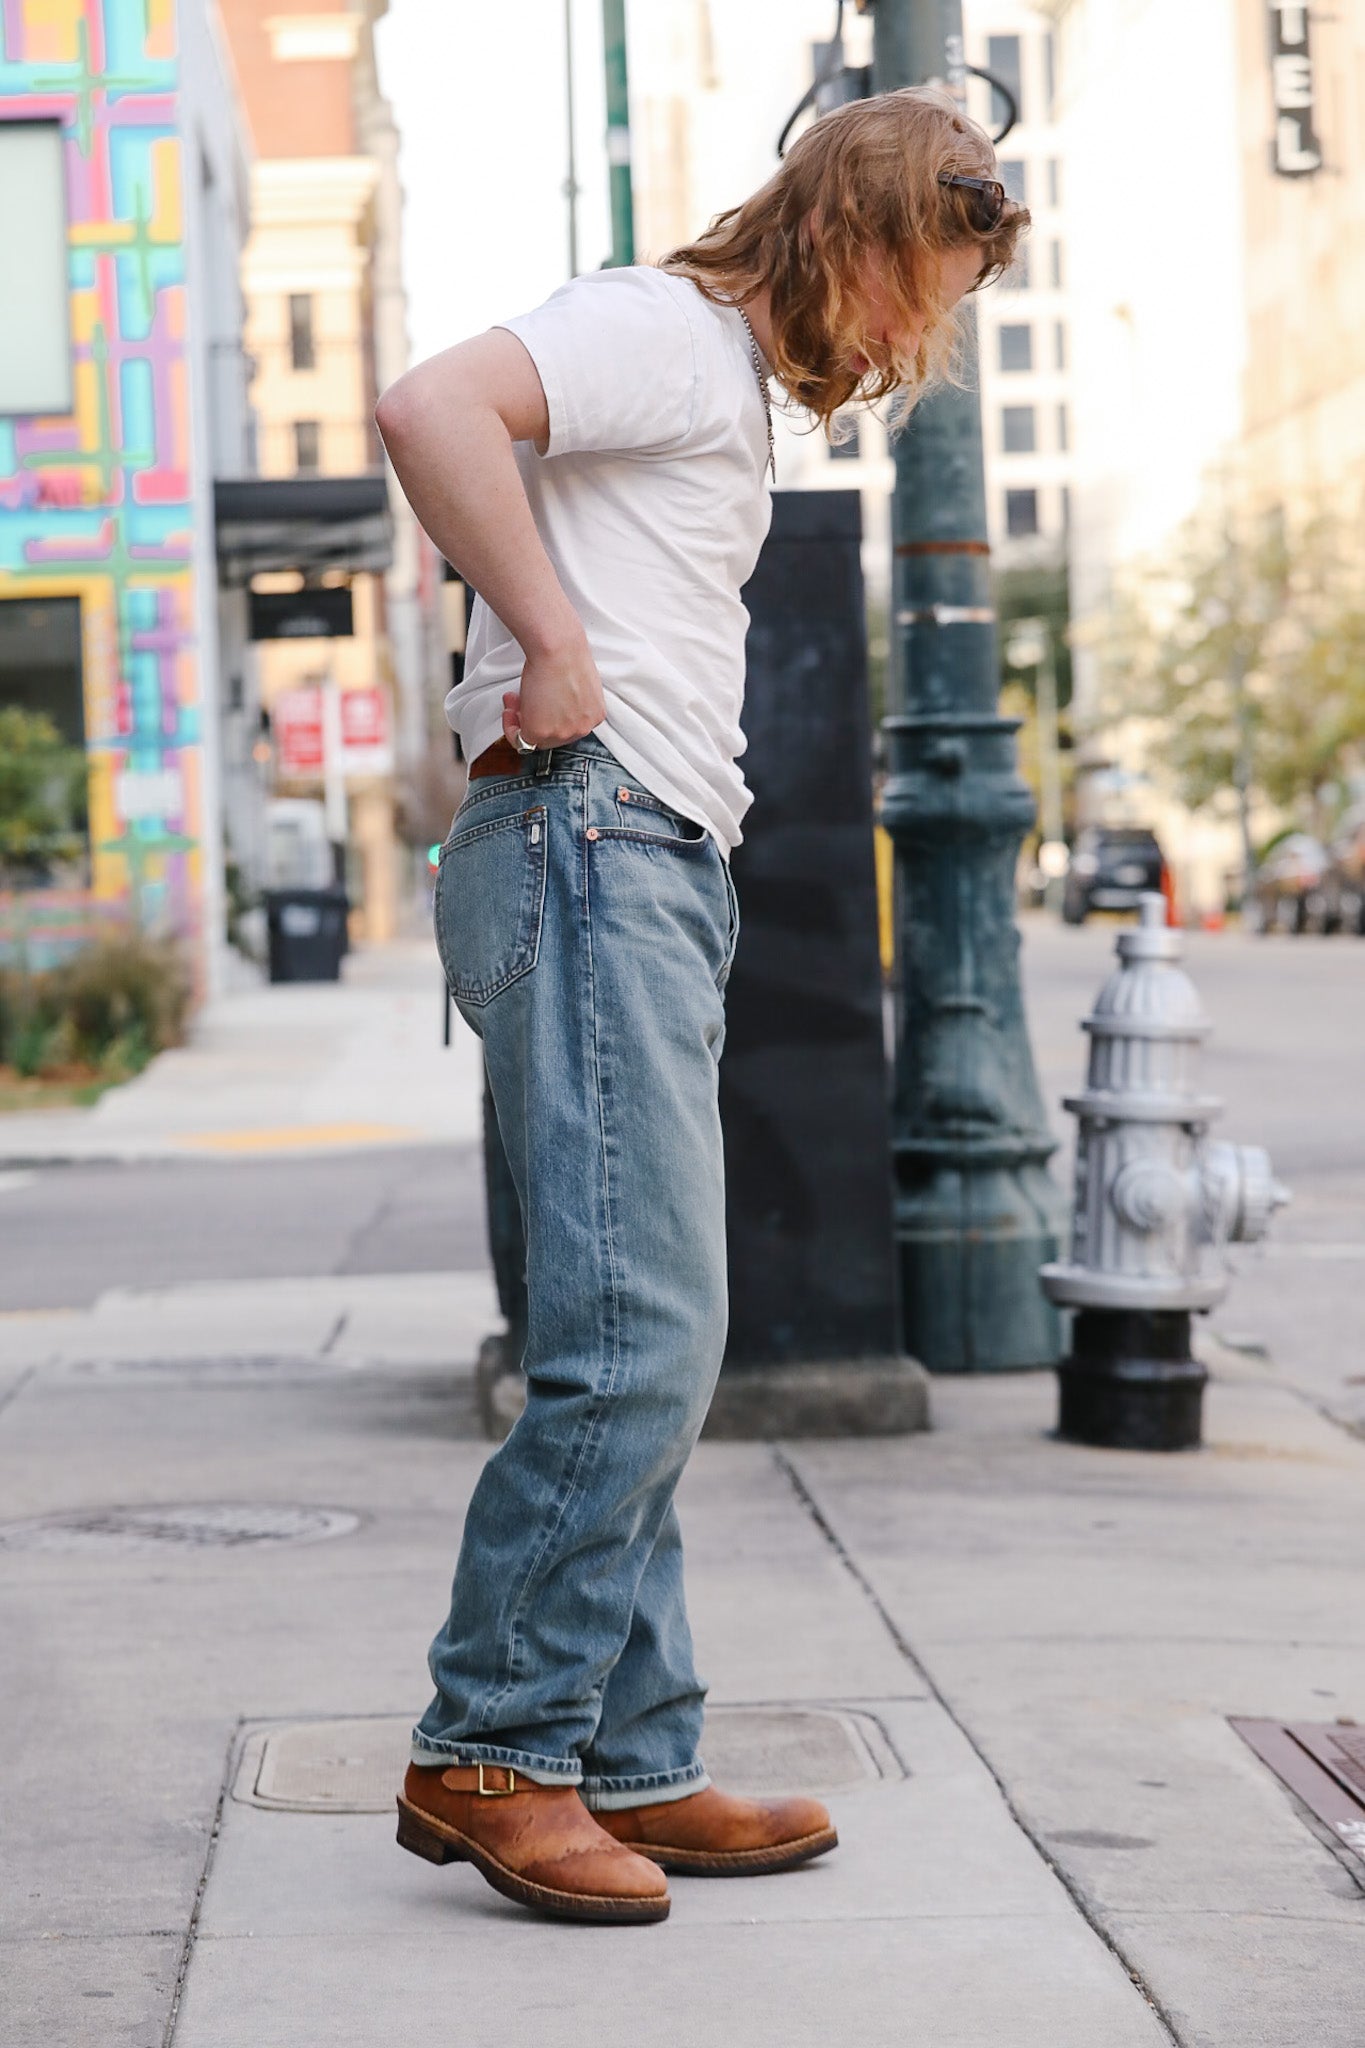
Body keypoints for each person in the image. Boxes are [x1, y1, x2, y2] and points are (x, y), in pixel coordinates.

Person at [375, 86, 1026, 1926]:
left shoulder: (711, 385)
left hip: (639, 854)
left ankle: (630, 1752)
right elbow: (431, 404)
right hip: (592, 835)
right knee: (641, 1323)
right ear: (845, 229)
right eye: (923, 284)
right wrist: (557, 648)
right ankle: (493, 1743)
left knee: (643, 1313)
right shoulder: (664, 330)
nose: (918, 338)